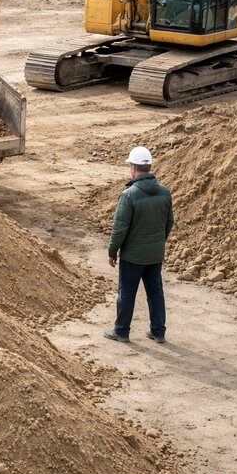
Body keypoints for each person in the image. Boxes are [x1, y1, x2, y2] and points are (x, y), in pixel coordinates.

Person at [104, 146, 174, 344]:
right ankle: (158, 331)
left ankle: (122, 331)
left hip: (133, 257)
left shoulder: (129, 195)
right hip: (155, 254)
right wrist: (158, 242)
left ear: (133, 168)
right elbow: (169, 222)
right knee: (155, 292)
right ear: (149, 167)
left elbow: (119, 229)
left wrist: (112, 251)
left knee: (126, 292)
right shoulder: (165, 192)